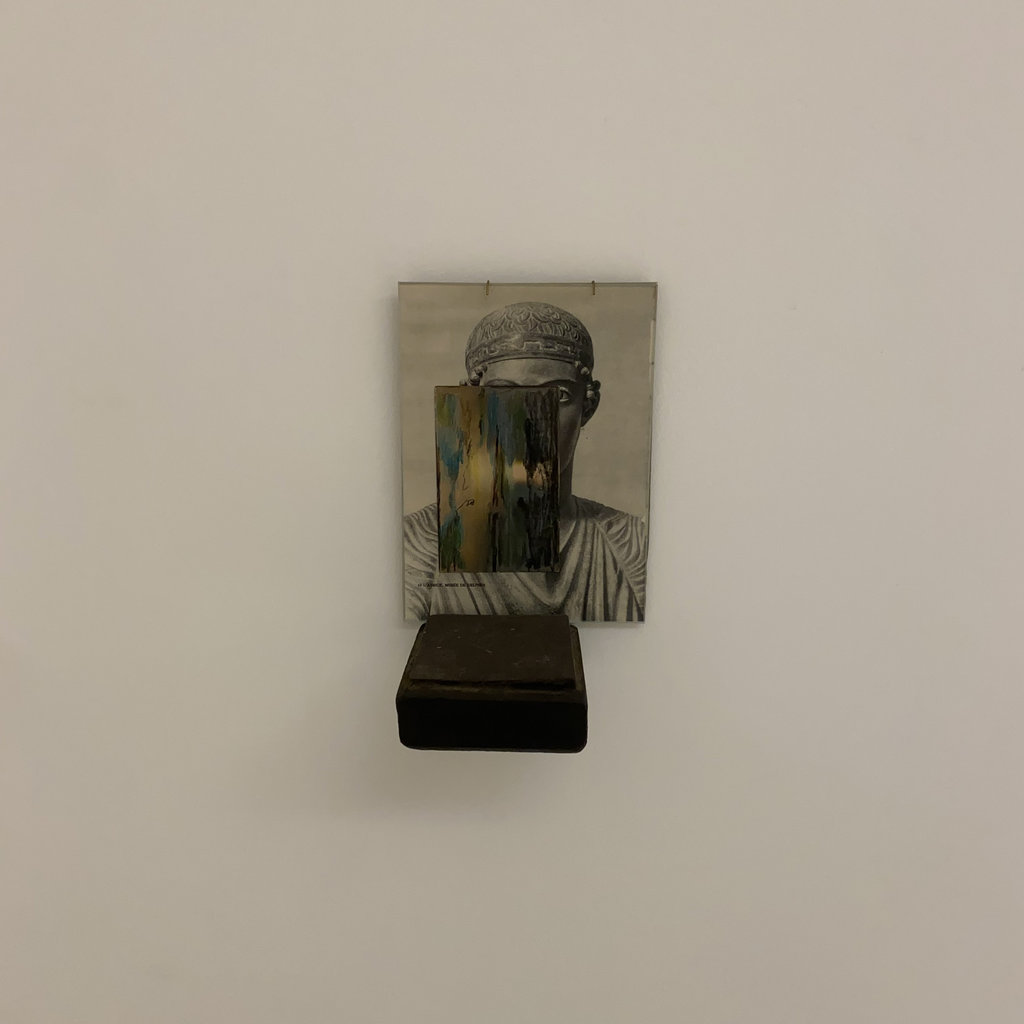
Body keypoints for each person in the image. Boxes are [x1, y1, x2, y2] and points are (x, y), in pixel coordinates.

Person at [403, 301, 647, 621]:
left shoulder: (632, 545)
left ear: (588, 407)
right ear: (473, 402)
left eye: (557, 394)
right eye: (503, 392)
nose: (528, 421)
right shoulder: (418, 543)